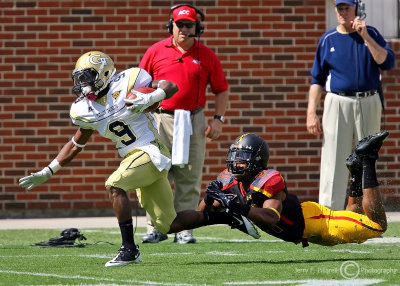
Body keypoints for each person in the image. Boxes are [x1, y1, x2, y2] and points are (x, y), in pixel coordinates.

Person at [18, 51, 257, 267]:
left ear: (104, 73)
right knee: (169, 224)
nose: (83, 83)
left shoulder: (129, 80)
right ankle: (227, 215)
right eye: (79, 78)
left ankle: (129, 249)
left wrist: (153, 95)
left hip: (151, 151)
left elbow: (171, 86)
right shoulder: (84, 110)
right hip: (133, 157)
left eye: (88, 76)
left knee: (115, 185)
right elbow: (76, 143)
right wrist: (48, 171)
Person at [138, 3, 229, 244]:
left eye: (189, 25)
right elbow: (139, 84)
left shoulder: (206, 55)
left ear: (197, 27)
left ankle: (184, 227)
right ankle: (154, 226)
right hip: (160, 117)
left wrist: (218, 119)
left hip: (193, 119)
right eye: (179, 25)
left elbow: (221, 90)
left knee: (189, 175)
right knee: (157, 173)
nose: (184, 29)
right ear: (171, 26)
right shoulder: (156, 51)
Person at [201, 131, 389, 247]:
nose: (236, 162)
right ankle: (355, 173)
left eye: (242, 157)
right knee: (355, 220)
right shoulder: (231, 183)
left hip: (316, 221)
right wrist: (210, 197)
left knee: (378, 226)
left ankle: (367, 160)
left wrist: (233, 205)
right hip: (309, 224)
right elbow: (204, 213)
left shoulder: (267, 180)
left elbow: (269, 215)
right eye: (235, 156)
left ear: (256, 160)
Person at [306, 0, 395, 210]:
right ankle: (329, 215)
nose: (343, 12)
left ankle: (369, 215)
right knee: (334, 159)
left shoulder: (371, 33)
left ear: (357, 10)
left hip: (369, 100)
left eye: (347, 8)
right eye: (340, 9)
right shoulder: (328, 39)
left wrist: (365, 37)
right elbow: (317, 80)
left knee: (368, 159)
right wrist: (311, 112)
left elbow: (387, 62)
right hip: (338, 102)